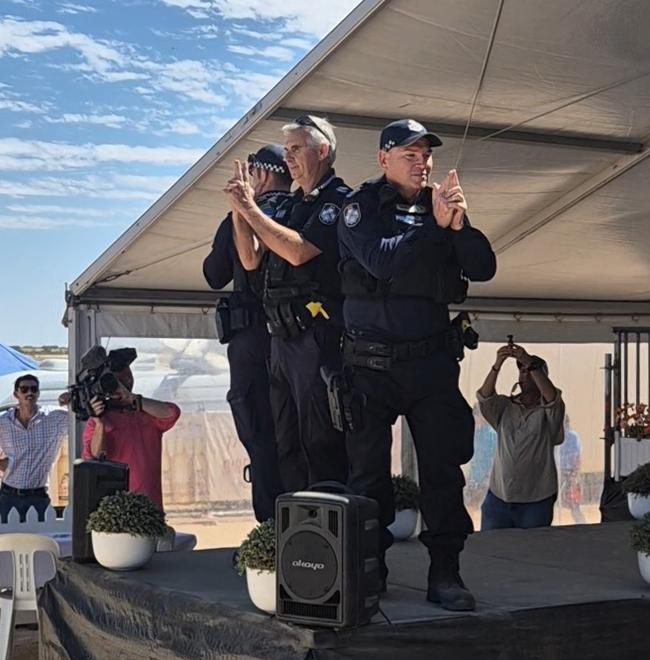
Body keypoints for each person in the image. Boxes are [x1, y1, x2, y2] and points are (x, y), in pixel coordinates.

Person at [338, 119, 497, 610]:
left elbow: (483, 267)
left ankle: (446, 574)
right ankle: (370, 570)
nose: (421, 162)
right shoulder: (360, 208)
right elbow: (382, 262)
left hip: (430, 366)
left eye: (425, 154)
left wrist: (460, 222)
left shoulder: (442, 210)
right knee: (367, 477)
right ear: (383, 159)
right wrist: (435, 223)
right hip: (370, 367)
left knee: (443, 474)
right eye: (410, 154)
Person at [223, 115, 350, 491]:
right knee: (286, 441)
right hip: (280, 339)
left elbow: (297, 252)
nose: (289, 158)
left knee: (319, 441)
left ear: (322, 151)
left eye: (297, 149)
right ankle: (295, 531)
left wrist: (250, 209)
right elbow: (250, 260)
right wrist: (238, 207)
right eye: (288, 150)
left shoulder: (337, 202)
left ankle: (328, 533)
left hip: (317, 337)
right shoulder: (294, 204)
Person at [203, 145, 291, 522]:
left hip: (253, 341)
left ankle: (272, 530)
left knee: (259, 433)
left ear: (260, 175)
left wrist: (238, 212)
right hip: (297, 342)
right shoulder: (301, 212)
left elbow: (214, 274)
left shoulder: (243, 216)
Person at [477, 343, 565, 530]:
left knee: (530, 552)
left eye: (530, 372)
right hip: (499, 497)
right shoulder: (505, 406)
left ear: (542, 378)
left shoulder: (548, 413)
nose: (524, 375)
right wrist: (497, 365)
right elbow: (484, 397)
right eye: (522, 371)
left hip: (537, 499)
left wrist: (529, 362)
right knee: (489, 549)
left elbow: (552, 400)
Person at [81, 362, 180, 511]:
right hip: (115, 506)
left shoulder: (146, 414)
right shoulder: (98, 419)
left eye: (127, 377)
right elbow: (96, 455)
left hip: (148, 504)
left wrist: (133, 399)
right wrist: (100, 423)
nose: (122, 383)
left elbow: (172, 412)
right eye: (116, 380)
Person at [0, 374, 69, 521]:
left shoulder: (55, 418)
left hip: (38, 495)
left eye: (33, 389)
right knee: (5, 541)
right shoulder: (3, 422)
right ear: (16, 394)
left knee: (40, 540)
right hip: (8, 494)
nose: (29, 393)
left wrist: (71, 398)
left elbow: (84, 417)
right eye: (24, 389)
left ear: (38, 393)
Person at [557, 415, 585, 523]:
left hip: (567, 472)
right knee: (572, 504)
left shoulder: (572, 436)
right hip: (565, 471)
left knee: (573, 503)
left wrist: (575, 474)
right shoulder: (571, 436)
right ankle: (580, 523)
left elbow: (577, 456)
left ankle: (580, 523)